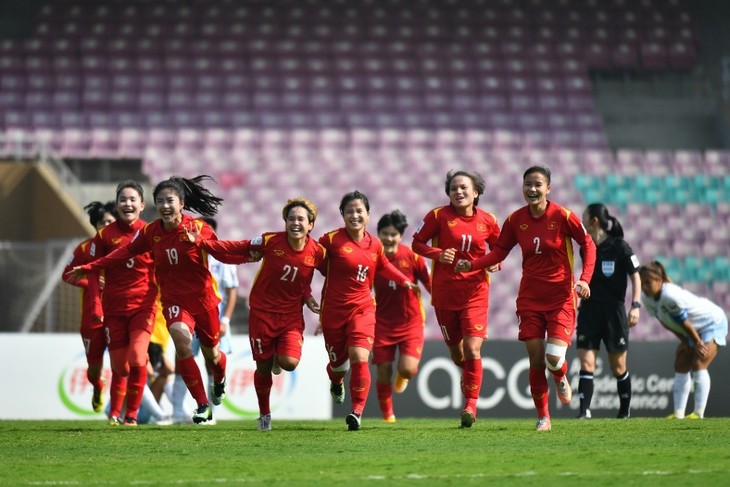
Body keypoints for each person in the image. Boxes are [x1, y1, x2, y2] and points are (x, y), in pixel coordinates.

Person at [69, 175, 227, 424]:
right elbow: (124, 254)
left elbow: (220, 249)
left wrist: (248, 251)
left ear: (181, 203)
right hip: (159, 304)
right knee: (173, 349)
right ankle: (200, 405)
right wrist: (91, 268)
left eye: (170, 201)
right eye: (160, 201)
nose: (164, 206)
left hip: (193, 302)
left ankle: (216, 381)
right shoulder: (148, 233)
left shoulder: (196, 228)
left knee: (212, 356)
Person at [455, 165, 596, 431]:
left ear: (548, 188)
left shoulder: (563, 216)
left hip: (560, 299)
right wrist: (472, 264)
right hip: (530, 300)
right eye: (528, 184)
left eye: (538, 184)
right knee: (535, 359)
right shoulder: (515, 220)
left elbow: (588, 244)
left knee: (554, 358)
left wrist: (585, 279)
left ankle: (560, 374)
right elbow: (498, 253)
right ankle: (544, 416)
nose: (532, 189)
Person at [186, 198, 325, 431]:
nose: (295, 223)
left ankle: (278, 360)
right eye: (291, 219)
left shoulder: (318, 252)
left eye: (301, 219)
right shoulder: (270, 240)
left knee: (289, 362)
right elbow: (237, 247)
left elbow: (332, 277)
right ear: (285, 221)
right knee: (262, 368)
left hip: (290, 315)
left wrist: (310, 297)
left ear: (311, 224)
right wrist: (201, 242)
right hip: (262, 312)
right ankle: (264, 415)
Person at [316, 190, 418, 431]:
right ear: (342, 215)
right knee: (339, 366)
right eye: (349, 211)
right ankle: (336, 379)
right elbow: (313, 262)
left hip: (363, 309)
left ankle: (357, 411)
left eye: (359, 210)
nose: (354, 215)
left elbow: (383, 266)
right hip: (333, 312)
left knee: (359, 357)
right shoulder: (329, 240)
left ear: (368, 215)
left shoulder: (375, 245)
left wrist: (404, 280)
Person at [411, 170, 501, 428]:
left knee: (473, 348)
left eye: (463, 188)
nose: (458, 192)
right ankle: (470, 378)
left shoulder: (489, 221)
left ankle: (470, 406)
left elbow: (499, 249)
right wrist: (437, 254)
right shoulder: (437, 216)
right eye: (453, 189)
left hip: (475, 293)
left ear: (476, 193)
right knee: (456, 353)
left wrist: (495, 264)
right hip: (444, 295)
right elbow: (417, 244)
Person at [83, 181, 159, 426]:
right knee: (120, 367)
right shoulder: (104, 236)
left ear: (142, 205)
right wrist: (96, 306)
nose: (128, 203)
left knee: (137, 357)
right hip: (114, 309)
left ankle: (132, 416)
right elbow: (93, 273)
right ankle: (114, 414)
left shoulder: (151, 233)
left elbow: (165, 268)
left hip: (143, 307)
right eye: (123, 199)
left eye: (132, 199)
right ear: (116, 205)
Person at [171, 216, 239, 424]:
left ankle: (212, 413)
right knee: (182, 354)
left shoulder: (220, 258)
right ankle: (178, 411)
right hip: (188, 310)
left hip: (213, 312)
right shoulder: (184, 253)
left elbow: (232, 291)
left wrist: (226, 320)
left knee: (212, 359)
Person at [639, 261, 727, 419]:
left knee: (699, 362)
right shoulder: (647, 298)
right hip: (692, 330)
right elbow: (665, 321)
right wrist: (685, 340)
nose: (644, 286)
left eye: (648, 282)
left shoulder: (669, 295)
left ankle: (698, 414)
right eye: (642, 282)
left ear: (659, 281)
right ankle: (679, 414)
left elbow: (683, 321)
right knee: (680, 363)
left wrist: (695, 342)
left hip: (711, 322)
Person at [576, 203, 641, 419]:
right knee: (586, 362)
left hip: (614, 312)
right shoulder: (584, 247)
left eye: (584, 216)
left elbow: (635, 275)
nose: (581, 220)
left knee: (618, 366)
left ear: (594, 220)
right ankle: (584, 411)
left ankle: (624, 411)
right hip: (589, 310)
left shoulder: (620, 247)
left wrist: (636, 305)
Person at [373, 210, 432, 423]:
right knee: (383, 370)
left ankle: (404, 375)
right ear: (378, 234)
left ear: (400, 235)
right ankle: (388, 415)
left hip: (411, 322)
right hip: (382, 322)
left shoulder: (412, 256)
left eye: (393, 234)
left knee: (407, 369)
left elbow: (429, 283)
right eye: (384, 233)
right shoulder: (372, 258)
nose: (389, 238)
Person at [61, 200, 118, 414]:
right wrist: (90, 282)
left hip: (118, 312)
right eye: (102, 222)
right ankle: (97, 386)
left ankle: (117, 412)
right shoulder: (84, 248)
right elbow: (66, 274)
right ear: (95, 225)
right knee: (94, 368)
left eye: (110, 221)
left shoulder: (125, 246)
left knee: (121, 364)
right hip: (91, 317)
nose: (106, 225)